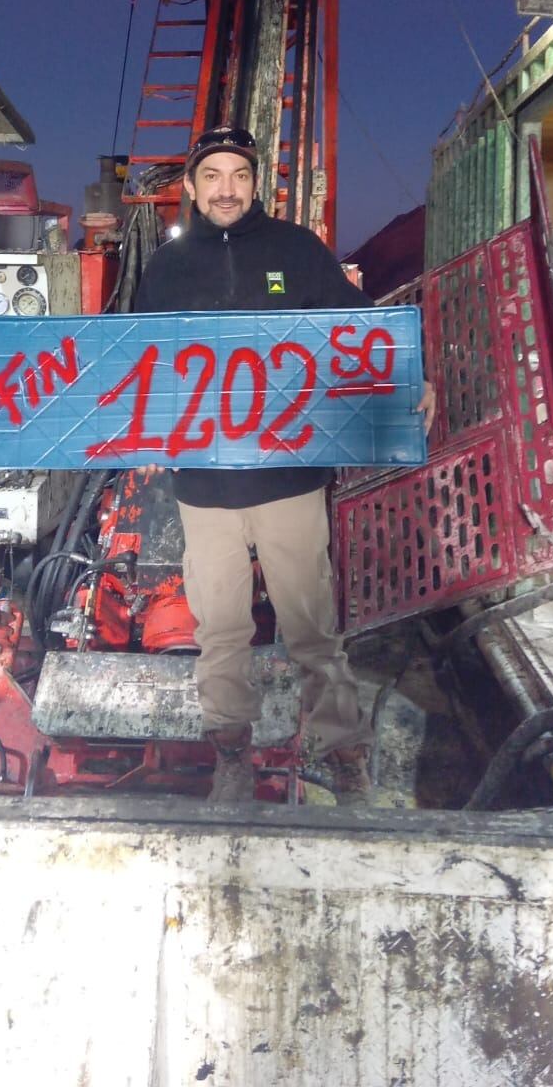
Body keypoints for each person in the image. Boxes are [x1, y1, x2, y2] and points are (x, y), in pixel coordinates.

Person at [134, 125, 435, 804]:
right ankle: (230, 754)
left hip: (291, 481)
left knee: (311, 630)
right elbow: (133, 359)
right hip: (204, 487)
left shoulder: (296, 250)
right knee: (220, 632)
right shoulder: (167, 268)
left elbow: (357, 326)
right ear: (191, 188)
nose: (225, 189)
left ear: (254, 182)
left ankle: (343, 754)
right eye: (211, 177)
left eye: (237, 176)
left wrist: (410, 375)